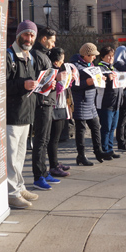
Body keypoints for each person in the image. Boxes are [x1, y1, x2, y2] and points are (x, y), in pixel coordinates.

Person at [6, 20, 39, 208]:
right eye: (26, 34)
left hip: (25, 113)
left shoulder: (29, 56)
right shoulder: (9, 55)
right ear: (18, 35)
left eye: (32, 35)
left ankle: (19, 187)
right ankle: (11, 193)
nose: (29, 38)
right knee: (11, 158)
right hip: (12, 115)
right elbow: (0, 84)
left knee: (19, 156)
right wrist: (22, 84)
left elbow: (30, 83)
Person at [70, 42, 112, 166]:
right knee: (81, 130)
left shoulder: (90, 65)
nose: (95, 57)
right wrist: (87, 83)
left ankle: (98, 151)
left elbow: (94, 78)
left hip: (90, 102)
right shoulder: (75, 66)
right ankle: (81, 156)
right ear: (86, 55)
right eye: (93, 55)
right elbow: (73, 85)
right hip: (80, 102)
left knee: (95, 127)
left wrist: (101, 78)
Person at [30, 27, 61, 191]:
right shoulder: (37, 55)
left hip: (48, 100)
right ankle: (38, 176)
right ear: (44, 39)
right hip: (42, 102)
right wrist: (50, 83)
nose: (53, 44)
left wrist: (53, 82)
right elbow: (36, 80)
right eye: (52, 40)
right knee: (40, 141)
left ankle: (44, 171)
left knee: (45, 139)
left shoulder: (44, 55)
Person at [47, 47, 71, 177]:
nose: (63, 62)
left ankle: (56, 162)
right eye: (61, 59)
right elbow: (51, 88)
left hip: (61, 105)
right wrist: (58, 80)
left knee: (57, 136)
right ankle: (53, 165)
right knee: (53, 138)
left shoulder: (60, 69)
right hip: (54, 106)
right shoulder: (51, 70)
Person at [96, 46, 122, 158]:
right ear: (102, 57)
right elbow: (97, 79)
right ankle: (104, 150)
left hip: (116, 103)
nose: (111, 58)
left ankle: (110, 149)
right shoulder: (99, 68)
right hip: (105, 103)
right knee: (106, 128)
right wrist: (107, 76)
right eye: (108, 56)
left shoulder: (114, 68)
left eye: (112, 56)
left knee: (112, 128)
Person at [114, 45, 126, 151]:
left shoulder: (120, 65)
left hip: (124, 95)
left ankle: (123, 140)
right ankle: (121, 141)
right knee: (123, 119)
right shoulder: (121, 65)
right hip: (125, 95)